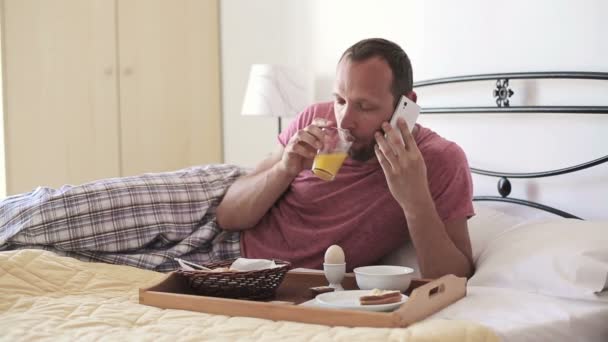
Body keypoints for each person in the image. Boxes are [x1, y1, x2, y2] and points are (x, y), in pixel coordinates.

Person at [216, 38, 474, 278]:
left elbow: (457, 278)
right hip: (217, 217)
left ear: (406, 105)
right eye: (340, 100)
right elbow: (227, 217)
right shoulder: (314, 118)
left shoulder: (439, 160)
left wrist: (416, 202)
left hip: (250, 269)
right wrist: (285, 169)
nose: (344, 120)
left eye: (364, 106)